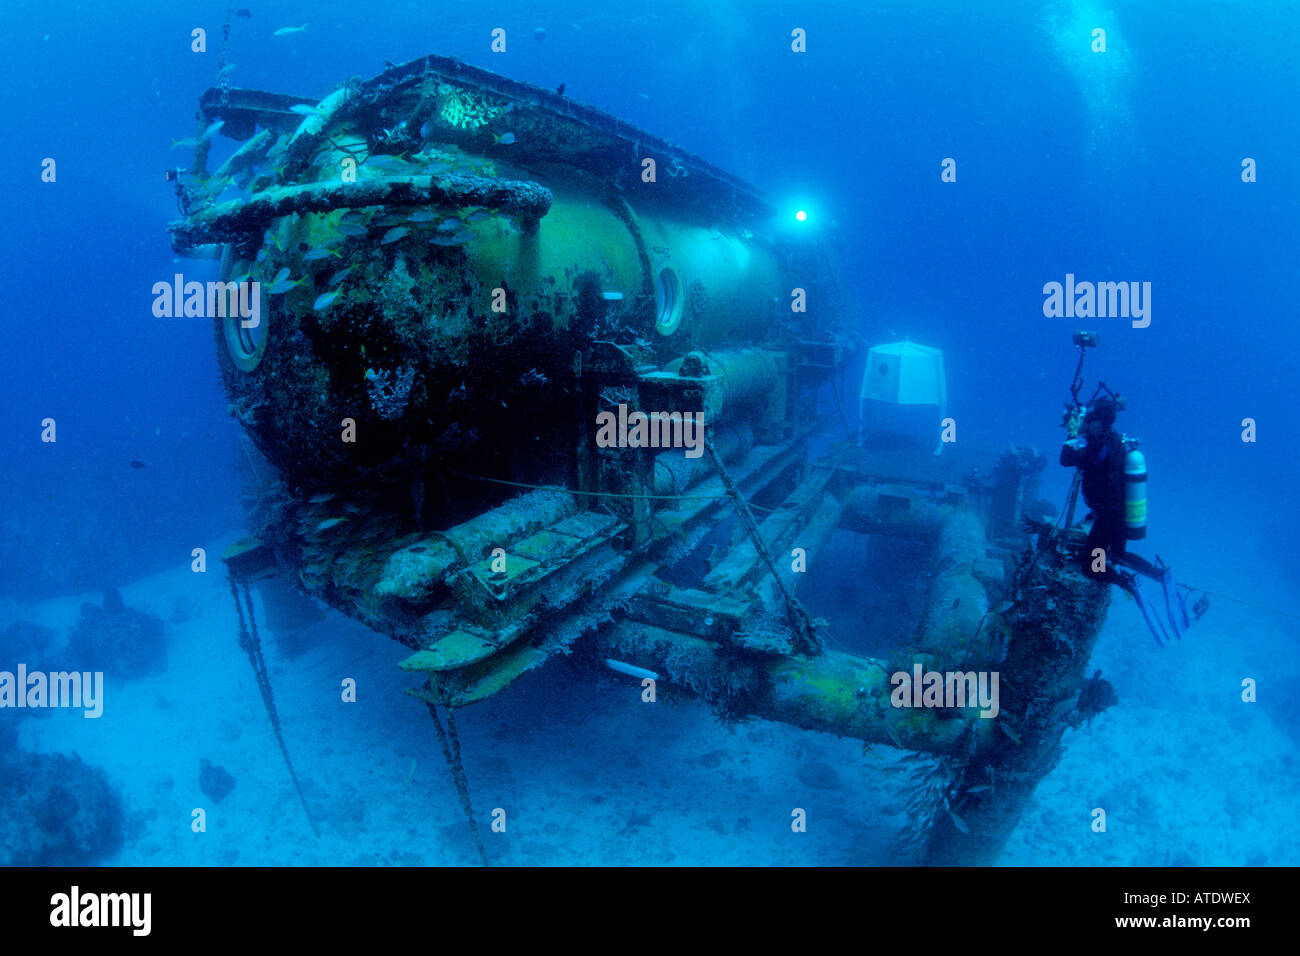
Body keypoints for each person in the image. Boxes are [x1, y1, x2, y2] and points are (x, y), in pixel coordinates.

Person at [1060, 396, 1187, 644]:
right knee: (1117, 553)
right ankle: (1160, 574)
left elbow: (1066, 459)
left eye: (1090, 420)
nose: (1086, 423)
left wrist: (1073, 432)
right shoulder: (1116, 441)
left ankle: (1128, 581)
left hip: (1108, 517)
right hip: (1119, 514)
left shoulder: (1097, 447)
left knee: (1092, 567)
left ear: (1099, 422)